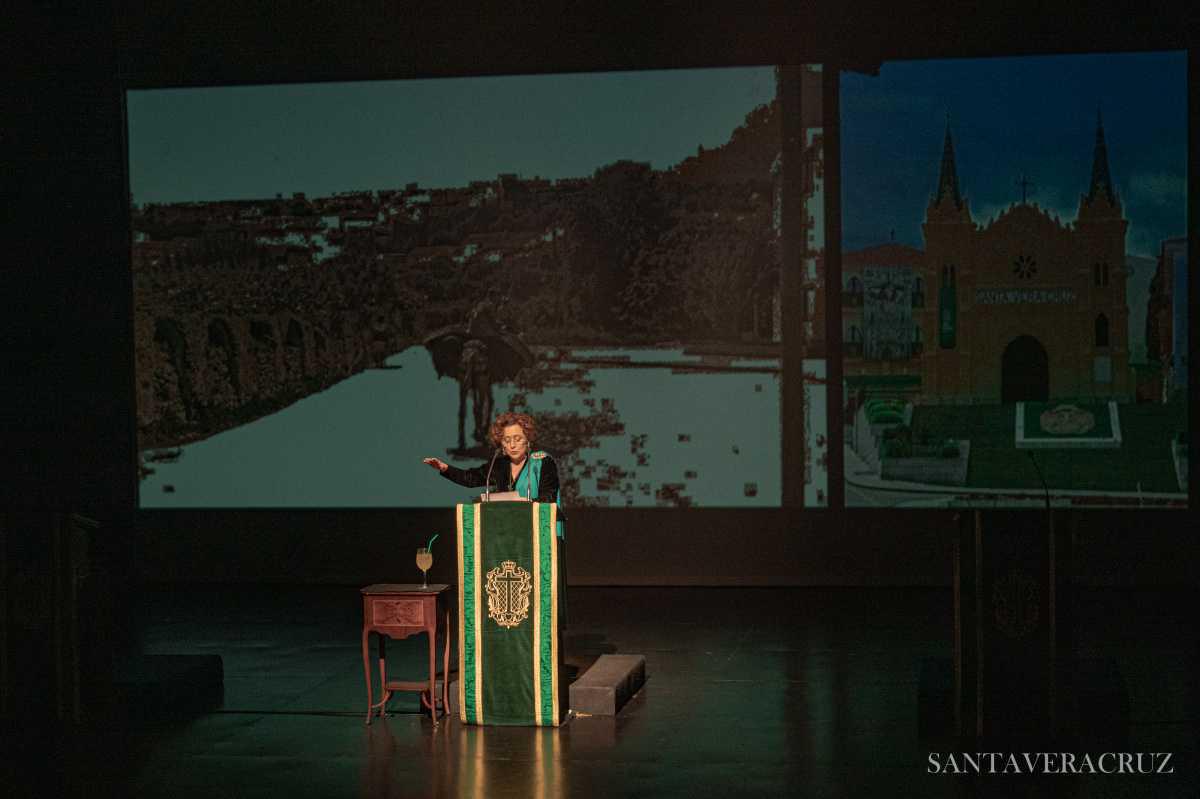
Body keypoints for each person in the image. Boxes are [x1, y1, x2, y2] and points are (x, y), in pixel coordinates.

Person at [423, 411, 564, 537]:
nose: (512, 445)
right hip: (508, 533)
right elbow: (470, 479)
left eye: (518, 438)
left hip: (540, 533)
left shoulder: (542, 462)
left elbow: (548, 498)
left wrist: (524, 506)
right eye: (507, 440)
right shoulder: (498, 465)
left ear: (528, 440)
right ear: (501, 443)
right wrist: (444, 468)